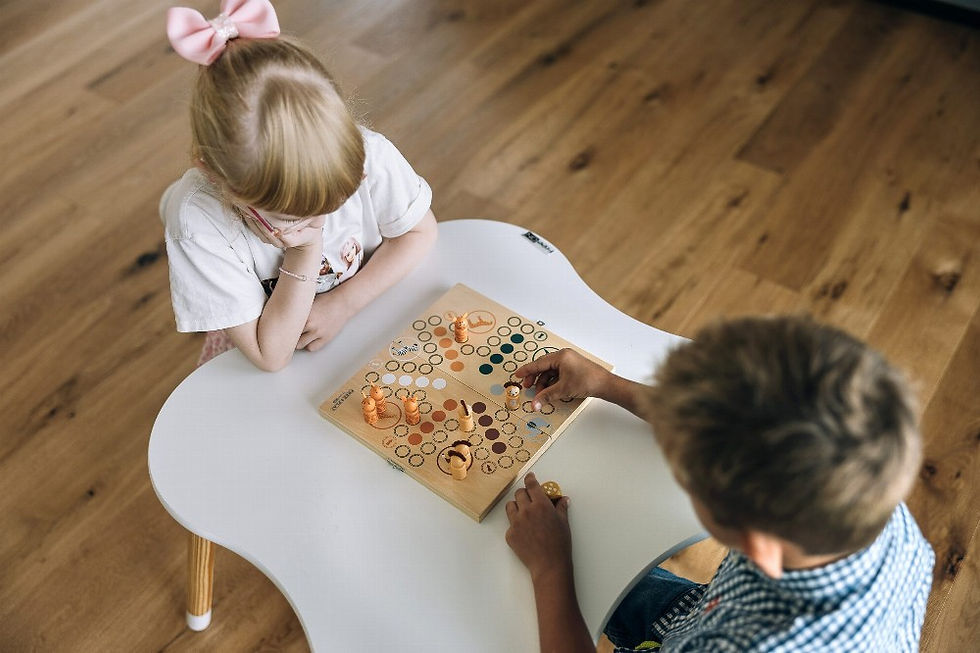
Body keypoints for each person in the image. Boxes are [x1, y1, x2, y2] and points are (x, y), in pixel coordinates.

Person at [505, 316, 934, 652]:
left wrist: (551, 569)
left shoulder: (736, 646)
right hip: (706, 612)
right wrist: (604, 383)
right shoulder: (866, 489)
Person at [160, 0, 437, 371]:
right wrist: (305, 249)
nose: (320, 219)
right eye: (294, 217)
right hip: (271, 357)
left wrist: (344, 303)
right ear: (216, 177)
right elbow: (270, 355)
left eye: (339, 199)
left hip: (364, 319)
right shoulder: (199, 220)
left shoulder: (369, 152)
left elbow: (419, 231)